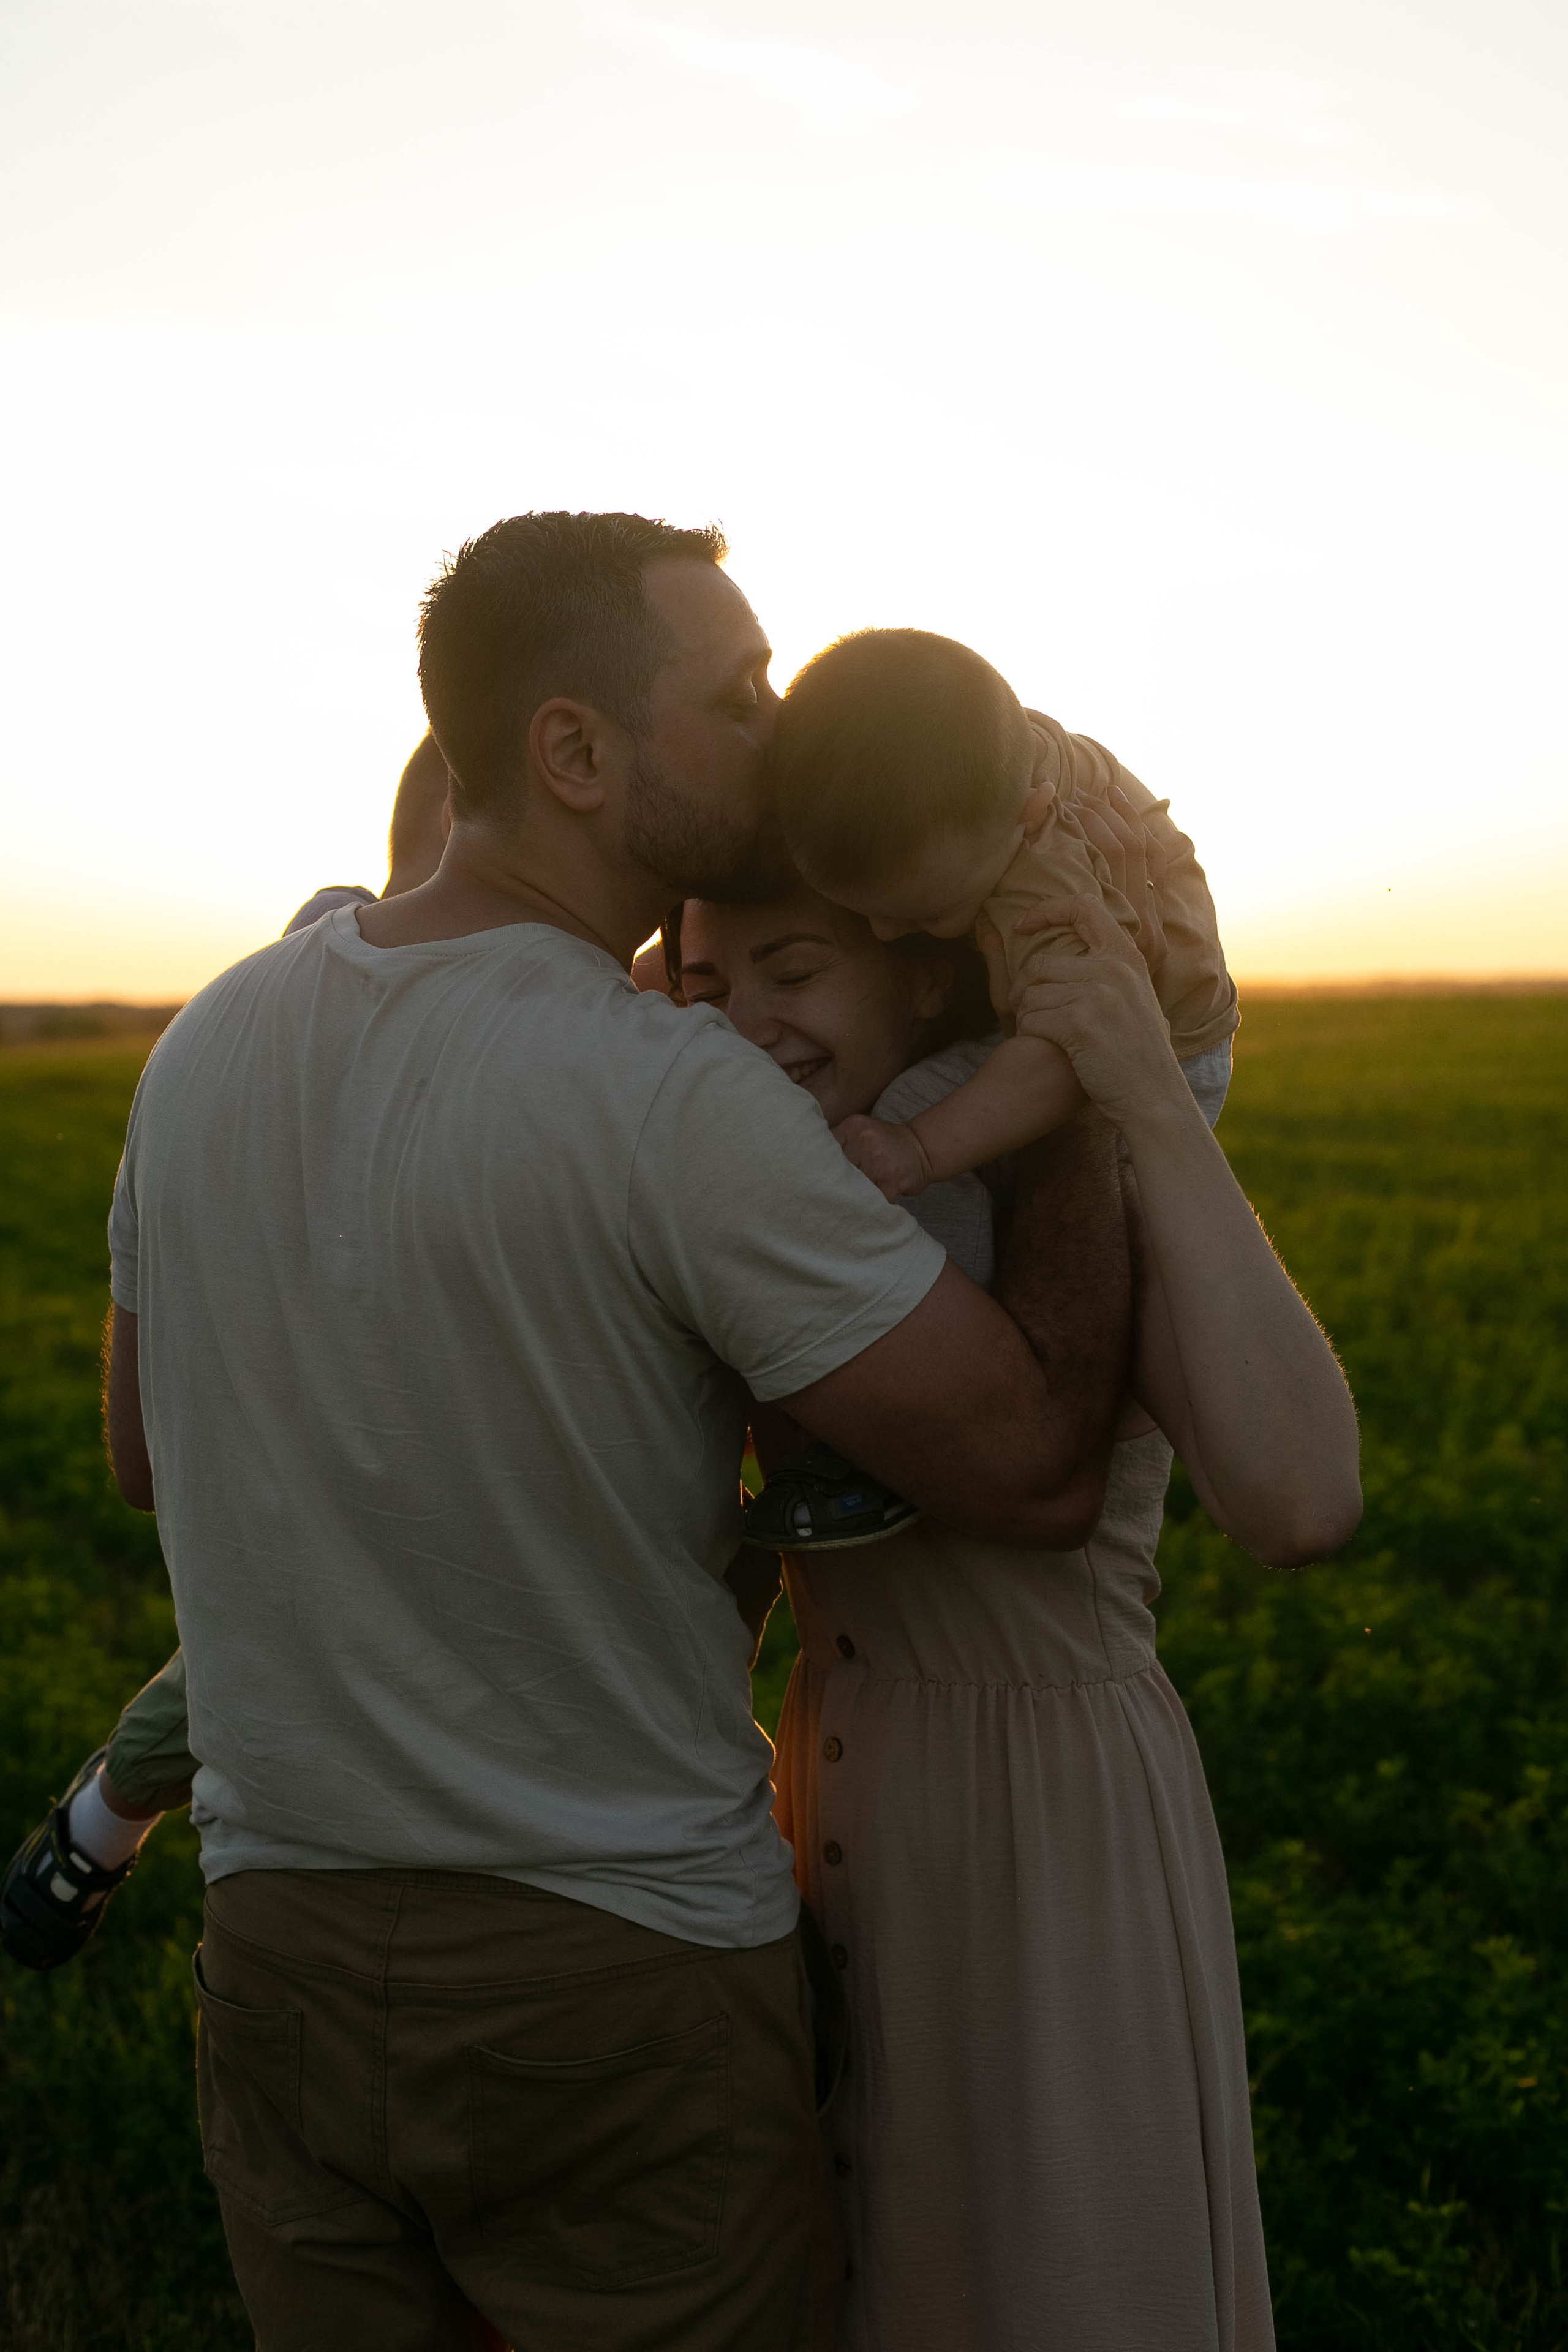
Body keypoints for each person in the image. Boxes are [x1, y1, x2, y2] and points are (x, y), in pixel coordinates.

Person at [59, 511, 1153, 2352]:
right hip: (616, 1975)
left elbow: (142, 1453)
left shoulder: (206, 1043)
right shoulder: (671, 1095)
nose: (777, 721)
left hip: (279, 1957)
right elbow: (1034, 1463)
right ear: (575, 753)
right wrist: (1093, 1082)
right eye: (733, 693)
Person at [667, 876, 1361, 2352]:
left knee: (1066, 2280)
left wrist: (1143, 1100)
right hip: (839, 1817)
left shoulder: (1060, 1190)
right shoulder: (764, 1207)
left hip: (1052, 1844)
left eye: (792, 966)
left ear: (920, 981)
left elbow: (1299, 1496)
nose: (745, 1021)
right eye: (706, 986)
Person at [0, 729, 455, 1970]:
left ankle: (98, 1821)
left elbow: (144, 1467)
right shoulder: (322, 1025)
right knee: (292, 1617)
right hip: (333, 1457)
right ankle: (100, 1818)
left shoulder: (229, 1033)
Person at [767, 625, 1238, 1203]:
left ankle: (935, 1287)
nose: (883, 932)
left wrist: (917, 1148)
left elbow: (1077, 1051)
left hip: (1169, 1057)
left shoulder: (1052, 875)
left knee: (917, 1108)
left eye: (926, 915)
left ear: (1032, 817)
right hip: (1065, 1010)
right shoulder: (973, 756)